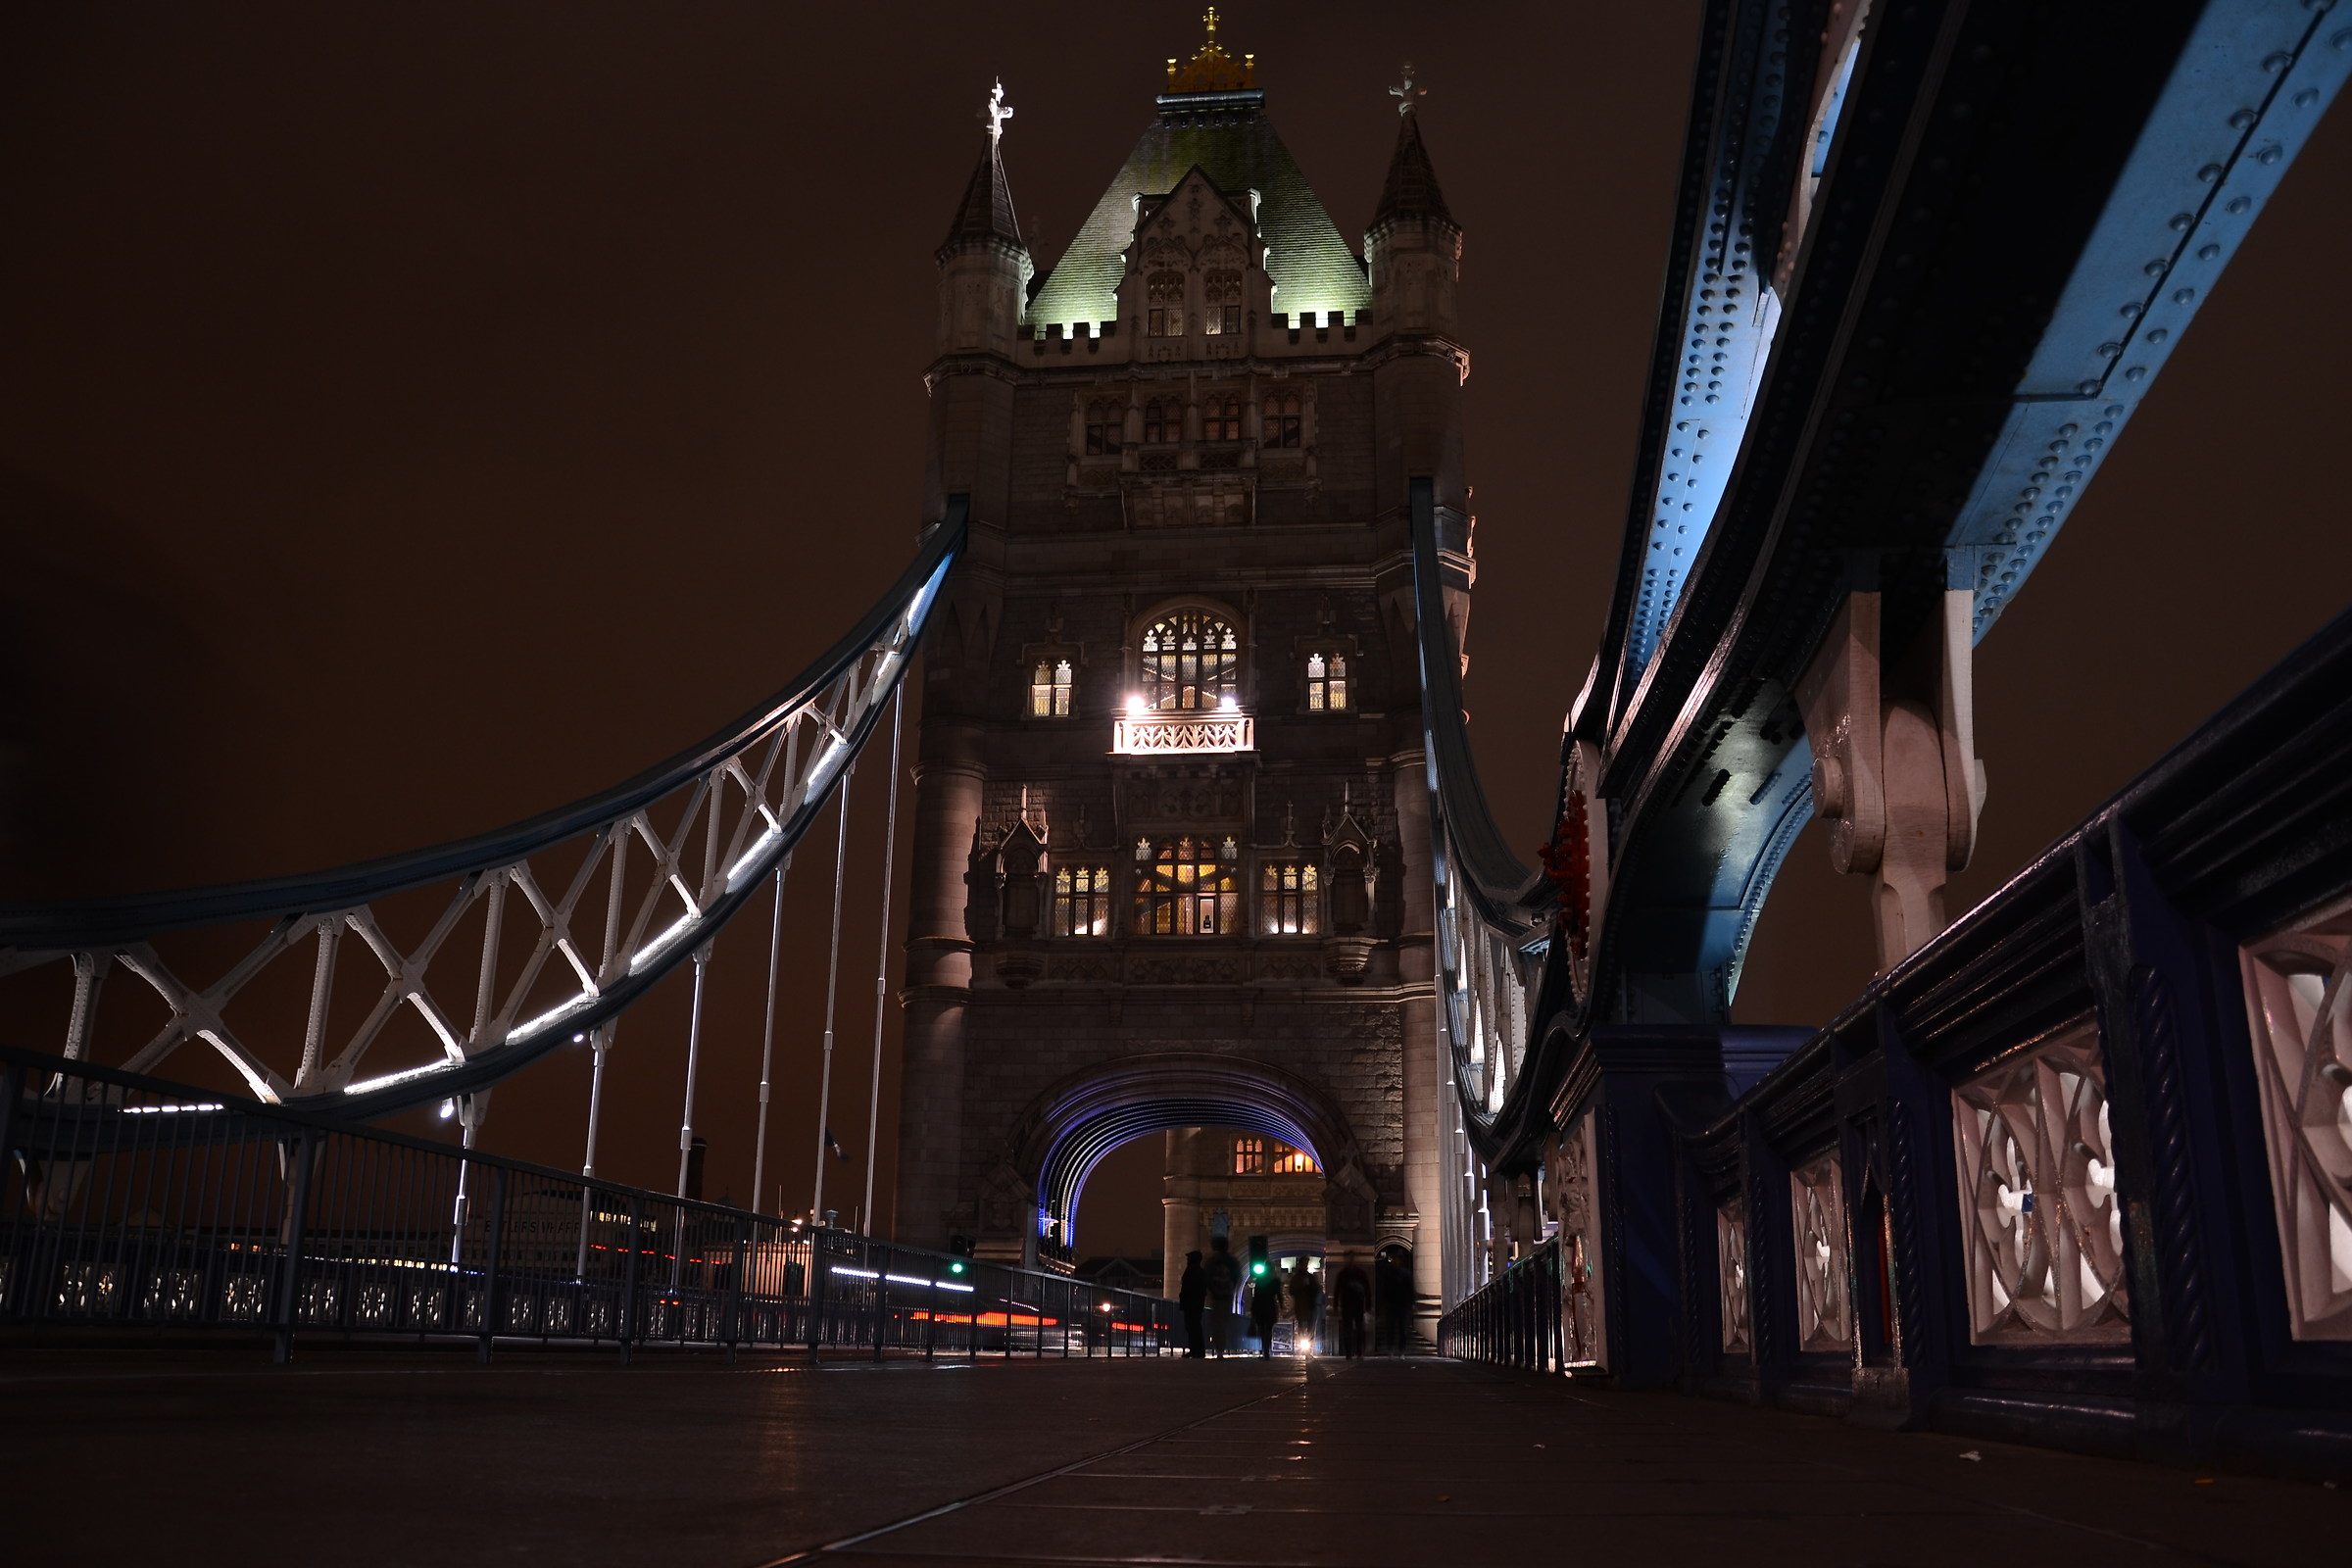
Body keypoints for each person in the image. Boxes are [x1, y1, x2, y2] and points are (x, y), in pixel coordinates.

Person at [1203, 1236, 1243, 1357]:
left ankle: (1218, 1349)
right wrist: (1232, 1288)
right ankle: (1222, 1347)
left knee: (1216, 1322)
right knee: (1225, 1321)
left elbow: (1206, 1277)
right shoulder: (1232, 1261)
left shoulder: (1211, 1261)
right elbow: (1238, 1276)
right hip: (1227, 1294)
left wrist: (1210, 1289)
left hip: (1215, 1294)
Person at [1336, 1258, 1371, 1359]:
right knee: (1349, 1329)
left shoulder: (1358, 1274)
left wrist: (1368, 1304)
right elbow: (1337, 1289)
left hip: (1356, 1305)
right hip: (1349, 1305)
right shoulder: (1345, 1274)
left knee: (1357, 1329)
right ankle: (1350, 1352)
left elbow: (1367, 1289)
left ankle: (1357, 1351)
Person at [1287, 1259, 1321, 1358]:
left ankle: (1308, 1349)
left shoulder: (1310, 1277)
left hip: (1309, 1305)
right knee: (1302, 1326)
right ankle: (1305, 1348)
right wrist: (1302, 1288)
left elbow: (1317, 1289)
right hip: (1301, 1306)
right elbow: (1292, 1290)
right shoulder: (1297, 1278)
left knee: (1310, 1327)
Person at [1177, 1250, 1207, 1358]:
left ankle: (1195, 1350)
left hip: (1191, 1303)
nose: (1187, 1260)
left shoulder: (1192, 1271)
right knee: (1194, 1326)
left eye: (1189, 1258)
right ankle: (1197, 1350)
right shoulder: (1199, 1272)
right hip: (1195, 1303)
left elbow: (1188, 1287)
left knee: (1192, 1327)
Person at [1250, 1267, 1282, 1357]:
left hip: (1260, 1306)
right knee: (1268, 1328)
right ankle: (1267, 1349)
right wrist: (1281, 1306)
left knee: (1262, 1329)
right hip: (1270, 1306)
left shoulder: (1260, 1280)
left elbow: (1256, 1295)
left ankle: (1264, 1348)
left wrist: (1253, 1309)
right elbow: (1279, 1294)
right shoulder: (1275, 1281)